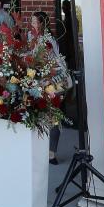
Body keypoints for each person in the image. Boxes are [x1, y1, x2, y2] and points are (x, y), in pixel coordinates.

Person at [30, 10, 66, 165]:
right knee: (40, 116)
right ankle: (41, 149)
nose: (31, 24)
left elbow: (55, 63)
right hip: (39, 82)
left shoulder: (48, 41)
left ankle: (51, 153)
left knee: (54, 117)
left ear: (42, 24)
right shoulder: (34, 37)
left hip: (52, 83)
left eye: (34, 22)